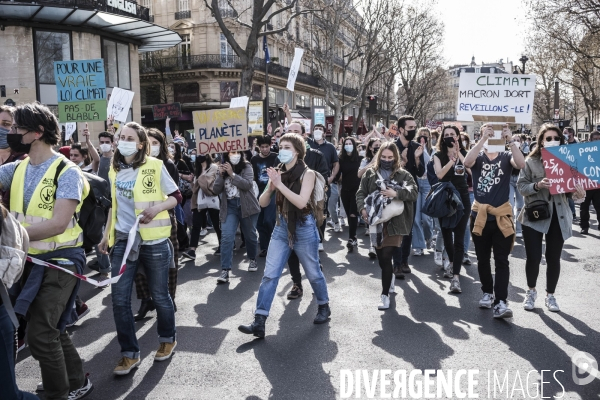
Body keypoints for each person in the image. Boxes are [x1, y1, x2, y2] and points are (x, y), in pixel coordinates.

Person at [0, 102, 93, 399]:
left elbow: (57, 224)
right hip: (28, 260)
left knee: (40, 335)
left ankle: (57, 393)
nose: (10, 133)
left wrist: (11, 233)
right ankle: (77, 381)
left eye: (16, 128)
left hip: (61, 262)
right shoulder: (16, 168)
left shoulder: (68, 172)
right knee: (51, 328)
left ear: (37, 133)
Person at [98, 122, 180, 375]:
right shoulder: (114, 169)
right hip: (123, 241)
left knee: (160, 294)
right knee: (119, 299)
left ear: (141, 143)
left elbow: (177, 196)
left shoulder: (155, 166)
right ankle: (129, 354)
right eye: (121, 137)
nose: (123, 141)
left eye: (129, 138)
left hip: (153, 241)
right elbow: (113, 205)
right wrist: (105, 235)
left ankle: (167, 339)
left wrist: (155, 209)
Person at [238, 133, 330, 338]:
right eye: (280, 147)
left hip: (304, 227)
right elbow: (262, 203)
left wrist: (279, 185)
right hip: (281, 228)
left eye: (287, 147)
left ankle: (324, 306)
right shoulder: (278, 172)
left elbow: (301, 202)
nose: (282, 151)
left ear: (297, 151)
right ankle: (259, 321)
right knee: (270, 275)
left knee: (313, 272)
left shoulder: (308, 174)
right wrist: (270, 189)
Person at [518, 124, 586, 312]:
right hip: (535, 215)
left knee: (553, 258)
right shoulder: (531, 162)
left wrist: (580, 193)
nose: (552, 141)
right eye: (548, 138)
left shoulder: (570, 161)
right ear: (541, 141)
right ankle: (531, 291)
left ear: (561, 141)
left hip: (559, 215)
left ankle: (550, 295)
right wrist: (538, 185)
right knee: (533, 257)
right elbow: (521, 187)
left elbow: (576, 195)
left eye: (556, 138)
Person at [464, 123, 525, 319]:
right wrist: (482, 139)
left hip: (501, 216)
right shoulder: (478, 157)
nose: (492, 137)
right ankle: (487, 293)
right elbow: (466, 162)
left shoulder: (506, 157)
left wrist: (511, 141)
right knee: (482, 259)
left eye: (495, 135)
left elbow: (521, 164)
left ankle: (501, 301)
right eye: (489, 134)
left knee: (501, 260)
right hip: (480, 215)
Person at [356, 141, 418, 309]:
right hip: (375, 220)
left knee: (386, 256)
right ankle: (388, 276)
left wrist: (395, 193)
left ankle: (384, 295)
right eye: (383, 157)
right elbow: (361, 192)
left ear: (396, 157)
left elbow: (413, 193)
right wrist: (362, 209)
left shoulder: (403, 175)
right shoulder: (370, 173)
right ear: (378, 156)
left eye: (390, 157)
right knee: (382, 260)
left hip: (395, 222)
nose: (387, 160)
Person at [132, 128, 181, 320]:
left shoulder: (166, 165)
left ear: (161, 145)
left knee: (169, 264)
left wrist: (157, 209)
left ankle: (169, 298)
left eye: (155, 143)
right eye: (148, 142)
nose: (151, 146)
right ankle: (146, 300)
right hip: (140, 223)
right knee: (139, 264)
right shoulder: (135, 166)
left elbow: (175, 196)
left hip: (164, 222)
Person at [285, 134, 330, 300]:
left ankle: (321, 298)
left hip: (306, 216)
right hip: (287, 218)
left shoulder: (316, 156)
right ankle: (297, 284)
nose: (284, 149)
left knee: (311, 261)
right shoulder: (282, 165)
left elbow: (323, 179)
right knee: (291, 254)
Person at [433, 125, 470, 293]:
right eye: (446, 135)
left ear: (458, 137)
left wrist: (459, 152)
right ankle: (452, 264)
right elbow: (439, 174)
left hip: (462, 198)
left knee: (460, 237)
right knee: (447, 233)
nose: (449, 137)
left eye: (452, 135)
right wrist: (451, 161)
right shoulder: (438, 155)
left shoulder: (464, 153)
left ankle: (456, 277)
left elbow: (469, 169)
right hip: (445, 199)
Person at [212, 151, 260, 282]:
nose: (235, 155)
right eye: (232, 152)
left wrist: (232, 174)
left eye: (237, 152)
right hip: (230, 207)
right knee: (227, 237)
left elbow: (247, 185)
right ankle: (225, 270)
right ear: (226, 155)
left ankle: (252, 259)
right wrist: (221, 176)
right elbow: (215, 190)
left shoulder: (247, 166)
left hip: (247, 206)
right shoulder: (221, 168)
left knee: (250, 235)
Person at [393, 116, 424, 277]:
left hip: (411, 193)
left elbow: (420, 172)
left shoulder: (417, 147)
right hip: (394, 192)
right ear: (401, 130)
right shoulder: (391, 148)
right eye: (410, 127)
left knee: (408, 229)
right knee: (397, 228)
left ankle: (404, 261)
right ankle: (396, 264)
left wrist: (417, 158)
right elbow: (388, 172)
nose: (413, 130)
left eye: (415, 127)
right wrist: (403, 161)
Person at [182, 153, 222, 259]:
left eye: (202, 153)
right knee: (196, 225)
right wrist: (192, 181)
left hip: (212, 199)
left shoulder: (213, 167)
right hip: (199, 201)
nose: (199, 156)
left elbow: (209, 182)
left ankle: (223, 245)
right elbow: (195, 187)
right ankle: (192, 250)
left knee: (216, 224)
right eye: (198, 154)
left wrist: (198, 179)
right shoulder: (198, 169)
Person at [310, 124, 339, 250]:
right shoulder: (308, 145)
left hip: (323, 184)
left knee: (321, 210)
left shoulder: (330, 147)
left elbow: (336, 164)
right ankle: (310, 237)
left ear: (324, 133)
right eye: (315, 129)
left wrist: (331, 177)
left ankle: (320, 239)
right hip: (308, 182)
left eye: (320, 129)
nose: (317, 131)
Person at [251, 135, 279, 256]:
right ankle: (264, 247)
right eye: (262, 147)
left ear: (270, 146)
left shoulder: (276, 157)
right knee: (260, 221)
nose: (265, 149)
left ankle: (275, 245)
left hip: (272, 191)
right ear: (259, 147)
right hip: (258, 192)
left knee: (269, 219)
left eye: (267, 146)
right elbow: (253, 177)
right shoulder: (254, 159)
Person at [338, 136, 363, 252]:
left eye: (350, 143)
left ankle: (351, 238)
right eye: (346, 143)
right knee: (349, 215)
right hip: (345, 190)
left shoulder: (360, 159)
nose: (348, 145)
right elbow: (337, 174)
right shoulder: (341, 159)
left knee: (353, 213)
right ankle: (354, 236)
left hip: (357, 190)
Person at [412, 128, 434, 256]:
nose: (423, 137)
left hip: (427, 183)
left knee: (426, 217)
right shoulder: (414, 148)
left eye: (426, 135)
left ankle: (429, 236)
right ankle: (418, 245)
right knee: (416, 217)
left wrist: (424, 148)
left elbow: (429, 162)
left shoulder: (433, 150)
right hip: (416, 182)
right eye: (421, 135)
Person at [580, 131, 600, 234]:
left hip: (598, 186)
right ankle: (584, 227)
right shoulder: (583, 151)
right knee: (584, 208)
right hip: (586, 185)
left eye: (598, 139)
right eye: (595, 139)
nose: (597, 141)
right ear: (590, 139)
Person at [460, 133, 474, 265]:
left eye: (464, 140)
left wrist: (460, 154)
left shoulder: (470, 154)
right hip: (454, 192)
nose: (462, 142)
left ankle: (464, 252)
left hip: (469, 192)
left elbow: (471, 172)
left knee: (466, 224)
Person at [508, 134, 525, 238]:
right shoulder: (507, 153)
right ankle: (509, 227)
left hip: (520, 180)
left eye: (518, 140)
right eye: (513, 140)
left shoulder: (524, 153)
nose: (516, 141)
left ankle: (518, 229)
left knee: (520, 206)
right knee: (510, 204)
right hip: (509, 180)